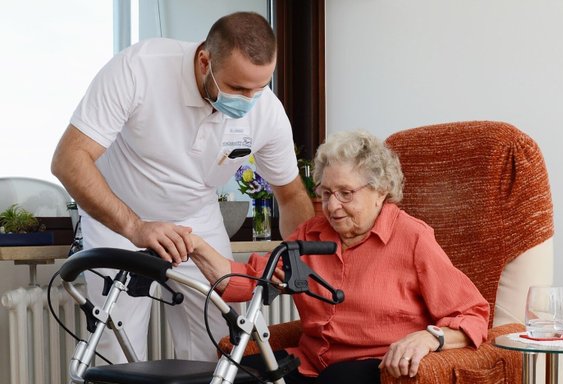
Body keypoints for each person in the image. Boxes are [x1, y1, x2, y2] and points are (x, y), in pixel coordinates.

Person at [50, 12, 314, 363]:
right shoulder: (140, 69)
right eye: (237, 88)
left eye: (260, 87)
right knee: (116, 347)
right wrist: (135, 227)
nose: (249, 100)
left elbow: (292, 194)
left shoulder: (266, 112)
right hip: (119, 220)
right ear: (205, 60)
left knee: (227, 343)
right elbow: (69, 159)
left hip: (197, 222)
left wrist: (298, 261)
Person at [188, 130, 490, 383]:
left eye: (346, 193)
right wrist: (194, 246)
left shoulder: (412, 238)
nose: (332, 207)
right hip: (310, 363)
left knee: (338, 378)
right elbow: (241, 281)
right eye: (327, 193)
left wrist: (428, 338)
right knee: (235, 375)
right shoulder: (311, 234)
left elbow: (474, 314)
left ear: (380, 191)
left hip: (376, 365)